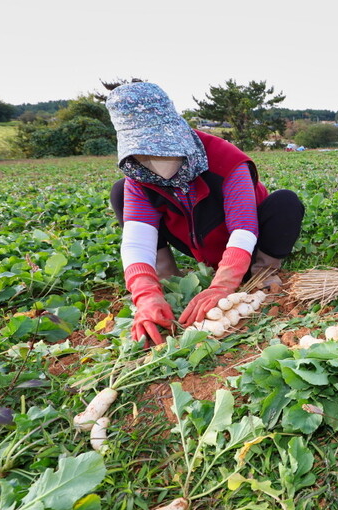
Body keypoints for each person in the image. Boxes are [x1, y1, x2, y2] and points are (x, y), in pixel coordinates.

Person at [105, 82, 305, 347]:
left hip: (244, 236)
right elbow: (137, 239)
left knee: (286, 202)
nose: (153, 160)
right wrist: (145, 294)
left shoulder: (225, 159)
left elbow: (243, 228)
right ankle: (168, 279)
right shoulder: (138, 176)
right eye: (143, 153)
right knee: (120, 192)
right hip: (192, 237)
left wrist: (222, 286)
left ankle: (260, 275)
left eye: (161, 149)